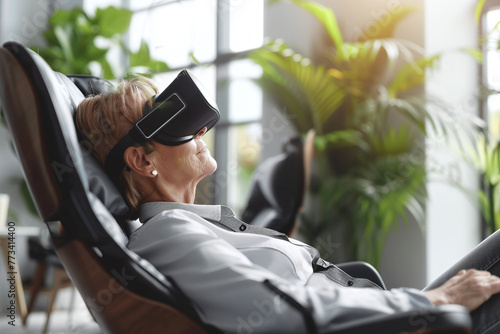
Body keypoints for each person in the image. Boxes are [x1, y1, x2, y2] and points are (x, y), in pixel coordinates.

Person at [76, 73, 500, 334]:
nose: (199, 131)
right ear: (142, 161)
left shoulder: (201, 226)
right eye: (172, 124)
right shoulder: (168, 235)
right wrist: (432, 302)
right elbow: (281, 311)